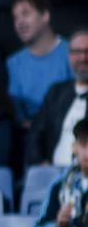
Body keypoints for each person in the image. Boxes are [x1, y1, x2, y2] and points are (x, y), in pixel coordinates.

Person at [25, 29, 88, 166]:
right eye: (77, 52)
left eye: (87, 51)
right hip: (52, 172)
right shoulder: (56, 92)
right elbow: (35, 133)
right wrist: (41, 163)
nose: (83, 58)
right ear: (69, 55)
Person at [7, 0, 73, 125]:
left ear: (45, 16)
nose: (20, 22)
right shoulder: (14, 62)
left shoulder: (73, 53)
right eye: (15, 17)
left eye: (26, 14)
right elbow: (17, 110)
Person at [35, 119, 88, 227]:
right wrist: (58, 225)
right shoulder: (60, 185)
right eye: (83, 144)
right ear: (74, 147)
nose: (87, 152)